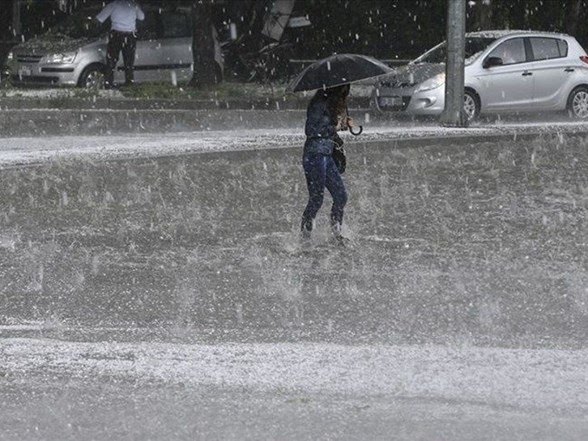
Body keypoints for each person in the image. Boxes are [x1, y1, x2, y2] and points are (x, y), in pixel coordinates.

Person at [301, 84, 354, 244]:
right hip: (315, 155)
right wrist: (336, 126)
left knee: (341, 196)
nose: (345, 96)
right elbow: (311, 130)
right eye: (344, 92)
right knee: (316, 199)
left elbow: (327, 128)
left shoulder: (329, 103)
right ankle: (304, 238)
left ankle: (336, 234)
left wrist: (343, 125)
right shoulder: (319, 103)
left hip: (326, 154)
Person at [96, 0, 145, 88]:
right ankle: (129, 82)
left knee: (111, 60)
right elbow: (142, 17)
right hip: (130, 35)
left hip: (116, 35)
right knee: (129, 61)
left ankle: (109, 83)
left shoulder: (113, 5)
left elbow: (99, 19)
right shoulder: (133, 5)